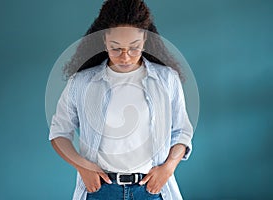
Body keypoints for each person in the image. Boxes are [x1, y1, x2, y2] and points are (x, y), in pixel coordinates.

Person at [49, 0, 194, 199]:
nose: (125, 57)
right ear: (104, 41)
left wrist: (168, 169)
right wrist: (82, 167)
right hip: (100, 190)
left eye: (134, 48)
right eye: (116, 48)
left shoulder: (167, 79)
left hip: (153, 190)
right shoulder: (81, 83)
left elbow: (182, 132)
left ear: (145, 39)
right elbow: (59, 133)